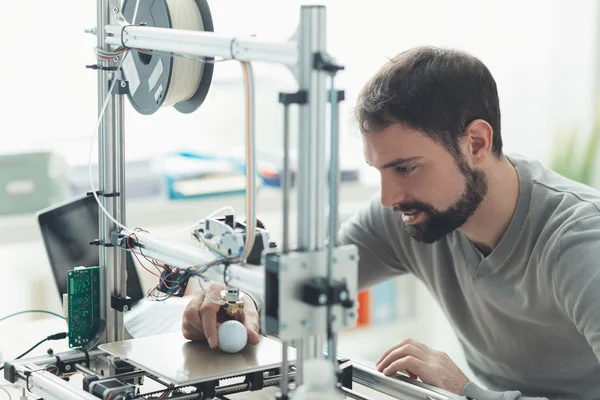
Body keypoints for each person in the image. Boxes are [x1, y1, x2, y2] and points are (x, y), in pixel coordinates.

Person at [181, 46, 600, 400]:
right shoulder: (409, 213)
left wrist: (467, 391)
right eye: (378, 170)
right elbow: (309, 287)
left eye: (406, 168)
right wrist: (239, 306)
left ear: (476, 142)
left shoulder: (580, 243)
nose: (388, 198)